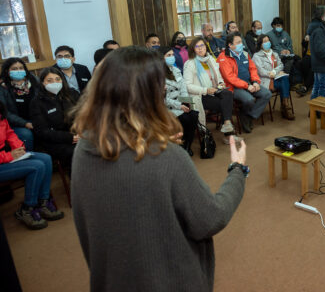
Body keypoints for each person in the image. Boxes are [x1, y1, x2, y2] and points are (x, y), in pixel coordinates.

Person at [70, 46, 247, 292]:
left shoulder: (84, 148)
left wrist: (154, 141)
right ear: (149, 94)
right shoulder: (167, 158)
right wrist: (237, 170)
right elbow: (210, 219)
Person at [0, 100, 63, 230]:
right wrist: (10, 156)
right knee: (36, 166)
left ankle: (43, 203)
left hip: (6, 156)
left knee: (46, 159)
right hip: (3, 159)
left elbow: (10, 134)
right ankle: (26, 209)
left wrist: (19, 149)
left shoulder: (1, 114)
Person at [183, 36, 237, 142]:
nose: (200, 48)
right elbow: (188, 86)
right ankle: (228, 135)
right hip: (200, 95)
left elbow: (218, 76)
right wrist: (205, 90)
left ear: (206, 47)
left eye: (202, 45)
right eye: (197, 46)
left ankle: (226, 124)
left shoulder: (210, 59)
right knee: (225, 103)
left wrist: (220, 83)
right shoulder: (190, 64)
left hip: (214, 90)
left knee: (228, 94)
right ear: (193, 49)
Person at [29, 67, 80, 176]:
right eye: (49, 80)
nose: (55, 82)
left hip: (78, 133)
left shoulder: (72, 94)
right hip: (56, 140)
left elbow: (85, 114)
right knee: (77, 153)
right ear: (42, 83)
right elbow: (42, 131)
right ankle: (78, 184)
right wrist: (69, 137)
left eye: (58, 79)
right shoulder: (37, 103)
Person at [218, 32, 271, 133]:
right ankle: (246, 114)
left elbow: (252, 69)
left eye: (241, 42)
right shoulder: (223, 57)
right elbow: (230, 78)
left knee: (266, 94)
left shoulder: (245, 54)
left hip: (249, 83)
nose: (241, 44)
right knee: (249, 100)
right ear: (230, 45)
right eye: (238, 42)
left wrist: (255, 81)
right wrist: (247, 86)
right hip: (233, 87)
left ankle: (248, 115)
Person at [159, 46, 199, 156]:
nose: (172, 57)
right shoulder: (158, 74)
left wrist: (185, 102)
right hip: (168, 107)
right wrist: (179, 105)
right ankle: (180, 146)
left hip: (180, 103)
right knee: (185, 118)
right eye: (168, 55)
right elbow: (163, 99)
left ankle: (187, 145)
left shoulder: (176, 70)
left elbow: (183, 88)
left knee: (194, 115)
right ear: (161, 58)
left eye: (172, 55)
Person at [0, 58, 40, 151]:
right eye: (14, 69)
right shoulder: (2, 87)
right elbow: (5, 112)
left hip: (36, 118)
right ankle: (28, 159)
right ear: (7, 71)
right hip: (15, 124)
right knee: (26, 134)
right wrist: (25, 123)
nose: (18, 71)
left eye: (21, 68)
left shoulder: (34, 80)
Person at [252, 34, 294, 120]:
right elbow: (260, 71)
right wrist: (270, 73)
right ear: (260, 44)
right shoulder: (256, 56)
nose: (267, 43)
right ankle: (285, 107)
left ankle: (285, 105)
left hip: (276, 78)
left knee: (284, 78)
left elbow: (281, 65)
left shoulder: (274, 53)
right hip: (265, 80)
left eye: (268, 41)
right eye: (264, 42)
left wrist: (275, 71)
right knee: (284, 82)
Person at [307, 5, 325, 121]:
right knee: (322, 88)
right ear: (323, 16)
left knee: (317, 87)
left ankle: (313, 110)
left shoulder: (318, 27)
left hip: (318, 63)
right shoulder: (319, 30)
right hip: (322, 64)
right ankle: (320, 111)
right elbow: (320, 49)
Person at [266, 17, 302, 86]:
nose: (280, 27)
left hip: (288, 55)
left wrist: (289, 50)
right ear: (273, 25)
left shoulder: (285, 34)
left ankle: (297, 82)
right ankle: (287, 83)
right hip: (277, 56)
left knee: (298, 59)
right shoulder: (269, 35)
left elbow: (290, 45)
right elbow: (269, 49)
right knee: (290, 62)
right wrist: (280, 51)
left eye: (281, 26)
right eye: (278, 25)